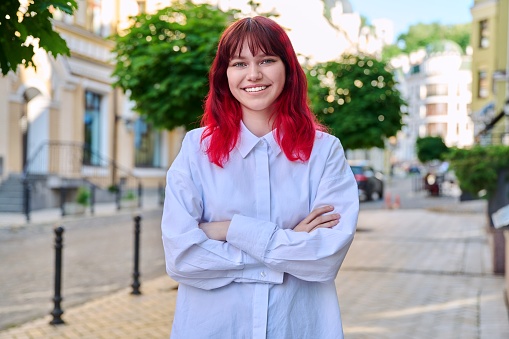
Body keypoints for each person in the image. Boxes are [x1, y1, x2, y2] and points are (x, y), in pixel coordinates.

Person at [161, 16, 359, 339]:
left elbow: (324, 258)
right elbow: (182, 258)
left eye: (267, 60)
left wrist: (228, 230)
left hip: (298, 328)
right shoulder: (196, 150)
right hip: (213, 329)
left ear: (287, 68)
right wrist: (288, 244)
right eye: (240, 63)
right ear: (224, 75)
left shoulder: (324, 153)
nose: (253, 74)